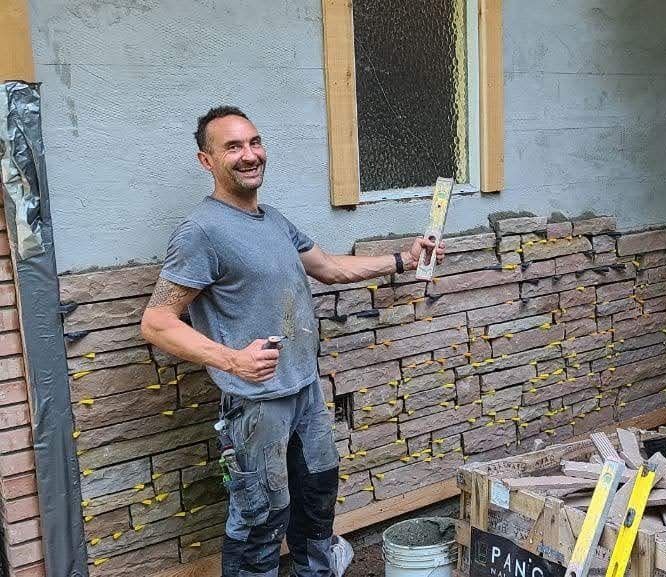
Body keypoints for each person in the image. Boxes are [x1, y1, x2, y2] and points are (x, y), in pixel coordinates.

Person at [140, 106, 444, 577]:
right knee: (260, 518)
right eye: (233, 147)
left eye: (254, 143)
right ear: (207, 161)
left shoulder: (274, 220)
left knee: (317, 501)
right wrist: (232, 361)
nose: (249, 155)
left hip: (304, 391)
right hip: (256, 405)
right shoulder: (202, 231)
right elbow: (157, 321)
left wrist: (402, 260)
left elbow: (328, 267)